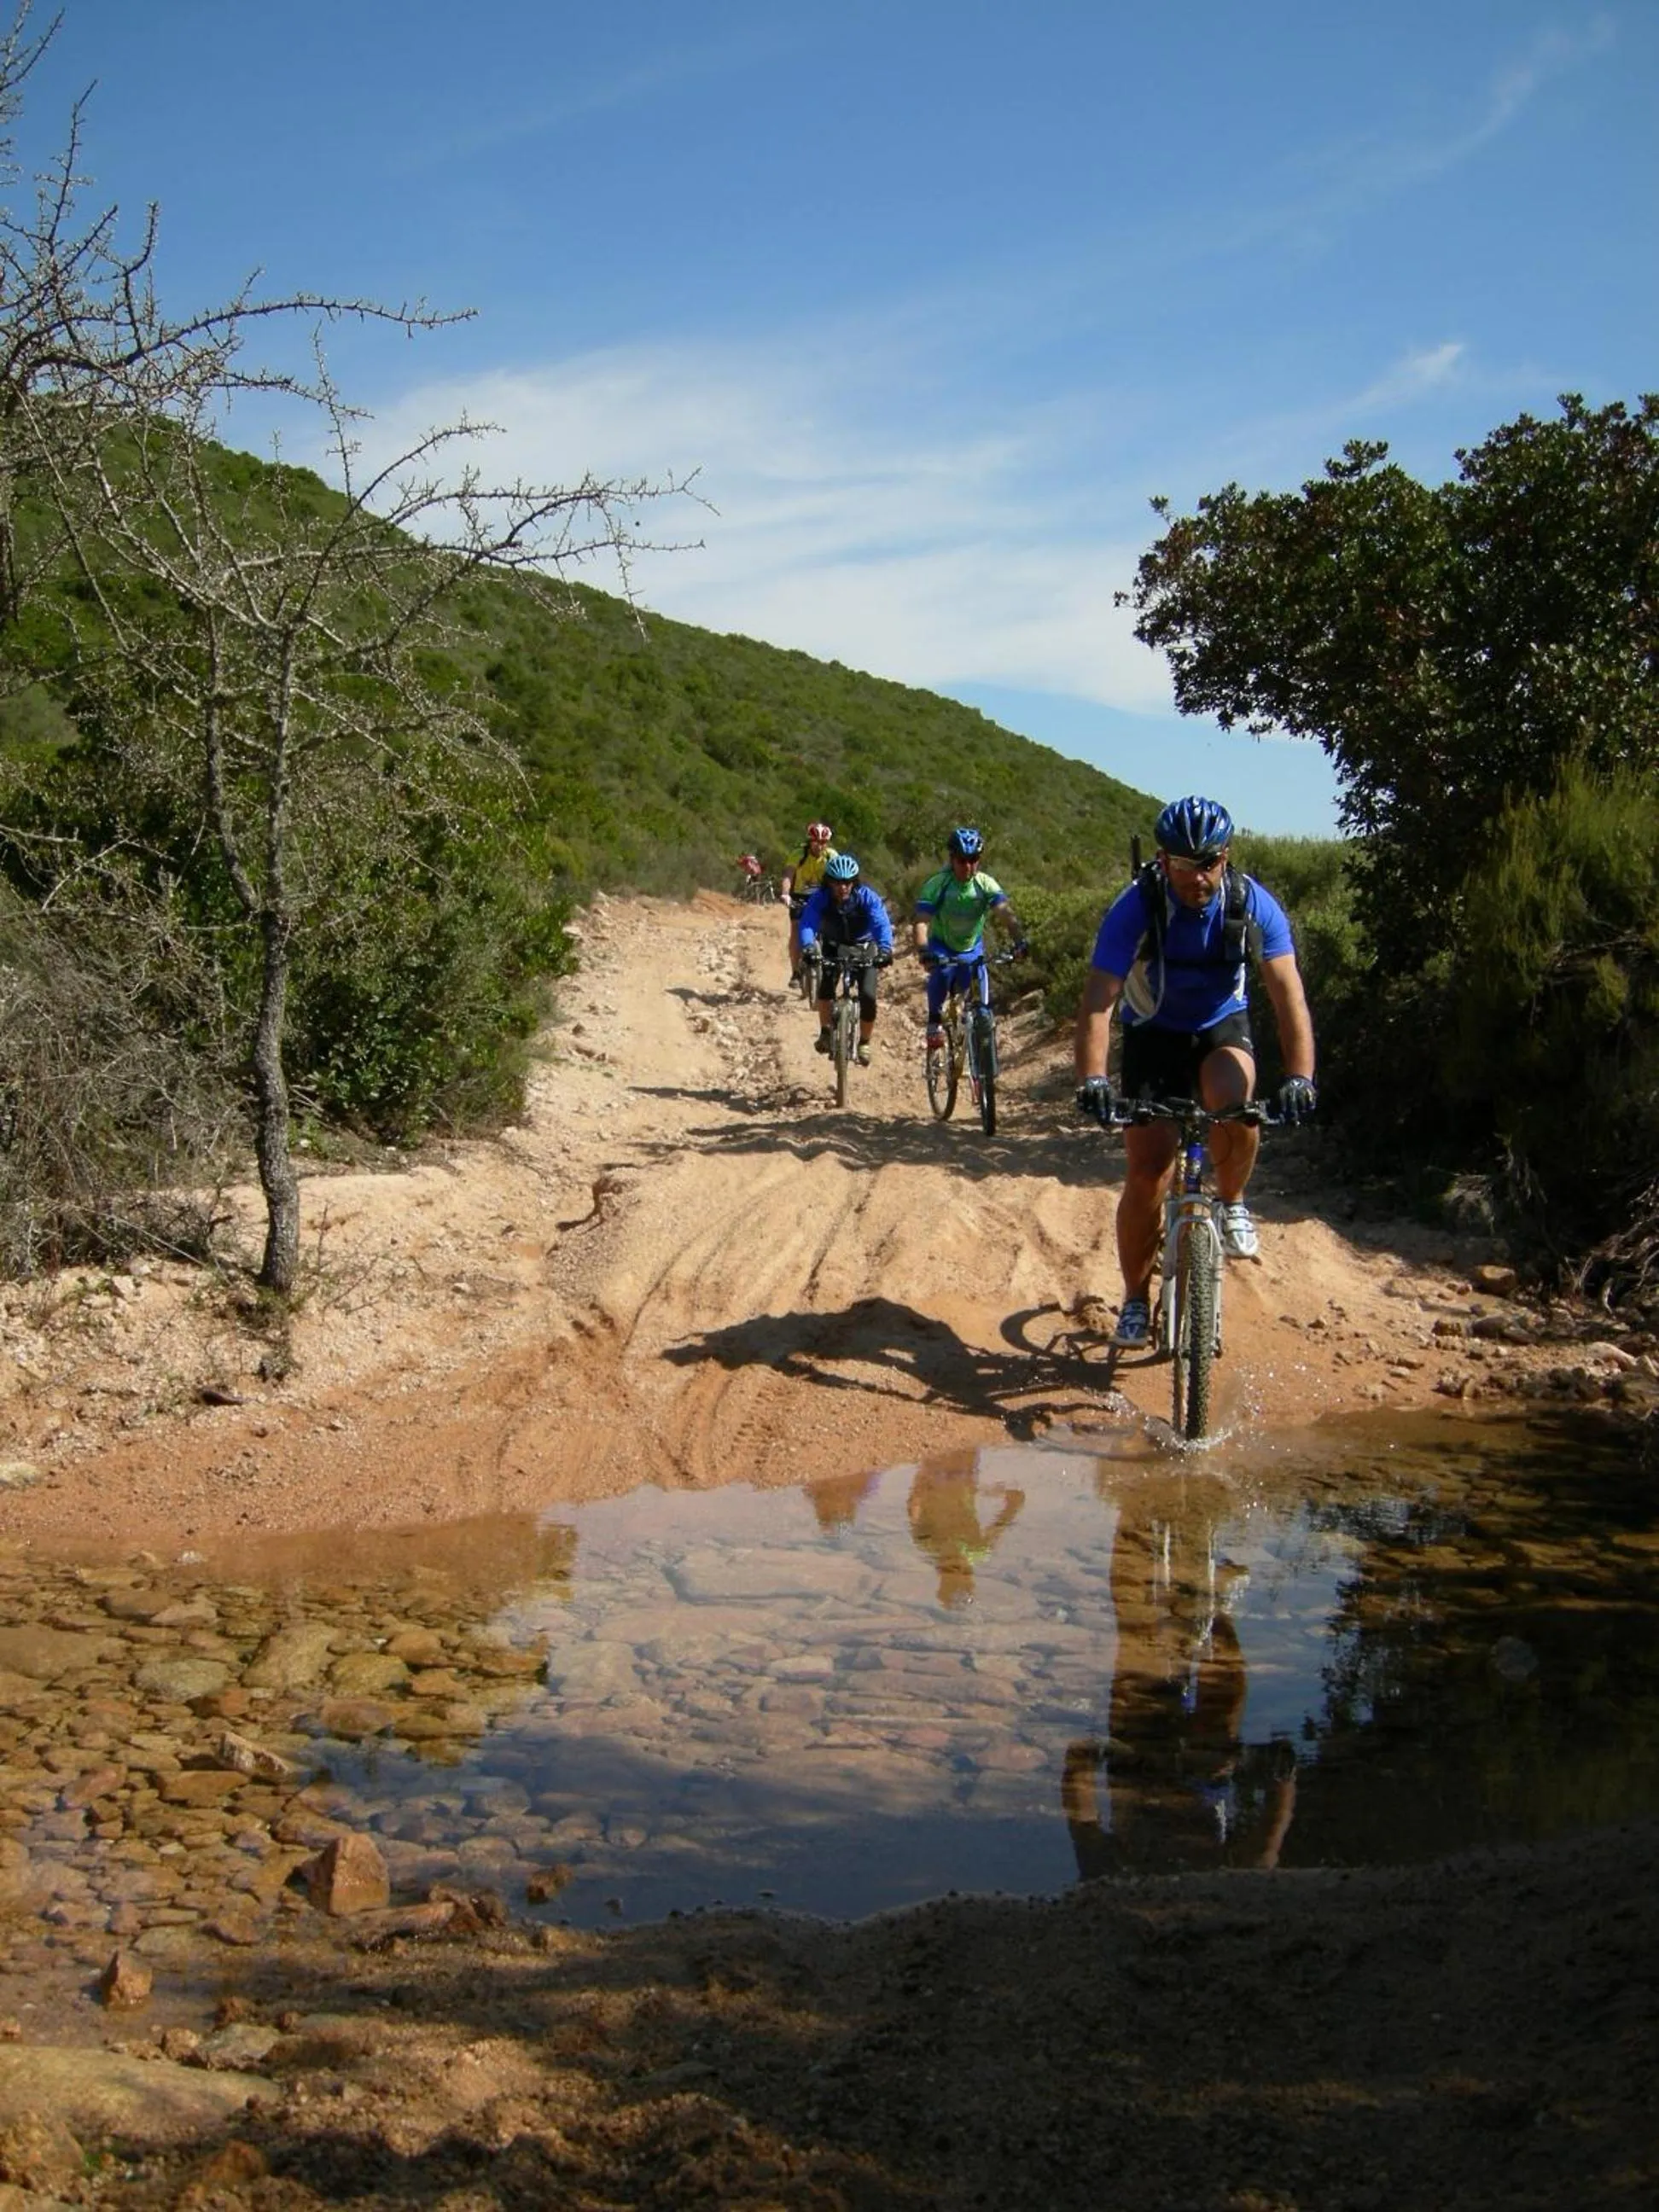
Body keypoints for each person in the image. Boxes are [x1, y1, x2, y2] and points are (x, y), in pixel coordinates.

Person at [1074, 795, 1316, 1348]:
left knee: (1236, 1106)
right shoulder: (1137, 905)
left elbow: (1288, 997)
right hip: (1152, 1034)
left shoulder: (1252, 904)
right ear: (1162, 860)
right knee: (1147, 1172)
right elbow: (1097, 1003)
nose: (1196, 876)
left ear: (1225, 857)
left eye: (1206, 862)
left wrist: (1301, 1077)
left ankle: (1231, 1202)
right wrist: (1092, 1079)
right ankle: (1135, 1299)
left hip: (1218, 1027)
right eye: (1182, 863)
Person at [911, 827, 1027, 1049]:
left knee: (983, 1011)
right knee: (941, 973)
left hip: (971, 949)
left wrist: (1019, 941)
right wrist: (924, 951)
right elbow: (921, 922)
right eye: (962, 860)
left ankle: (985, 1073)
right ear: (952, 859)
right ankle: (934, 1022)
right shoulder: (938, 884)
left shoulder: (984, 884)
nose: (968, 866)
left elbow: (1006, 915)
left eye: (973, 860)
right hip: (942, 945)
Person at [797, 852, 894, 1064]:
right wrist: (808, 947)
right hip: (835, 945)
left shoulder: (867, 897)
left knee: (868, 995)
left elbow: (881, 923)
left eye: (848, 883)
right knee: (826, 988)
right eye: (837, 883)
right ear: (829, 882)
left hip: (865, 947)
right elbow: (808, 923)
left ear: (854, 882)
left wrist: (885, 950)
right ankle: (825, 1032)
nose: (843, 888)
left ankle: (865, 1042)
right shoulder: (821, 898)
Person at [780, 820, 837, 983]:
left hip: (822, 895)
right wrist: (785, 894)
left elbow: (841, 876)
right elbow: (788, 875)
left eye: (823, 842)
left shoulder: (831, 856)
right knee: (797, 929)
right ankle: (796, 972)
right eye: (816, 842)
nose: (820, 846)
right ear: (810, 841)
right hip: (799, 895)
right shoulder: (799, 854)